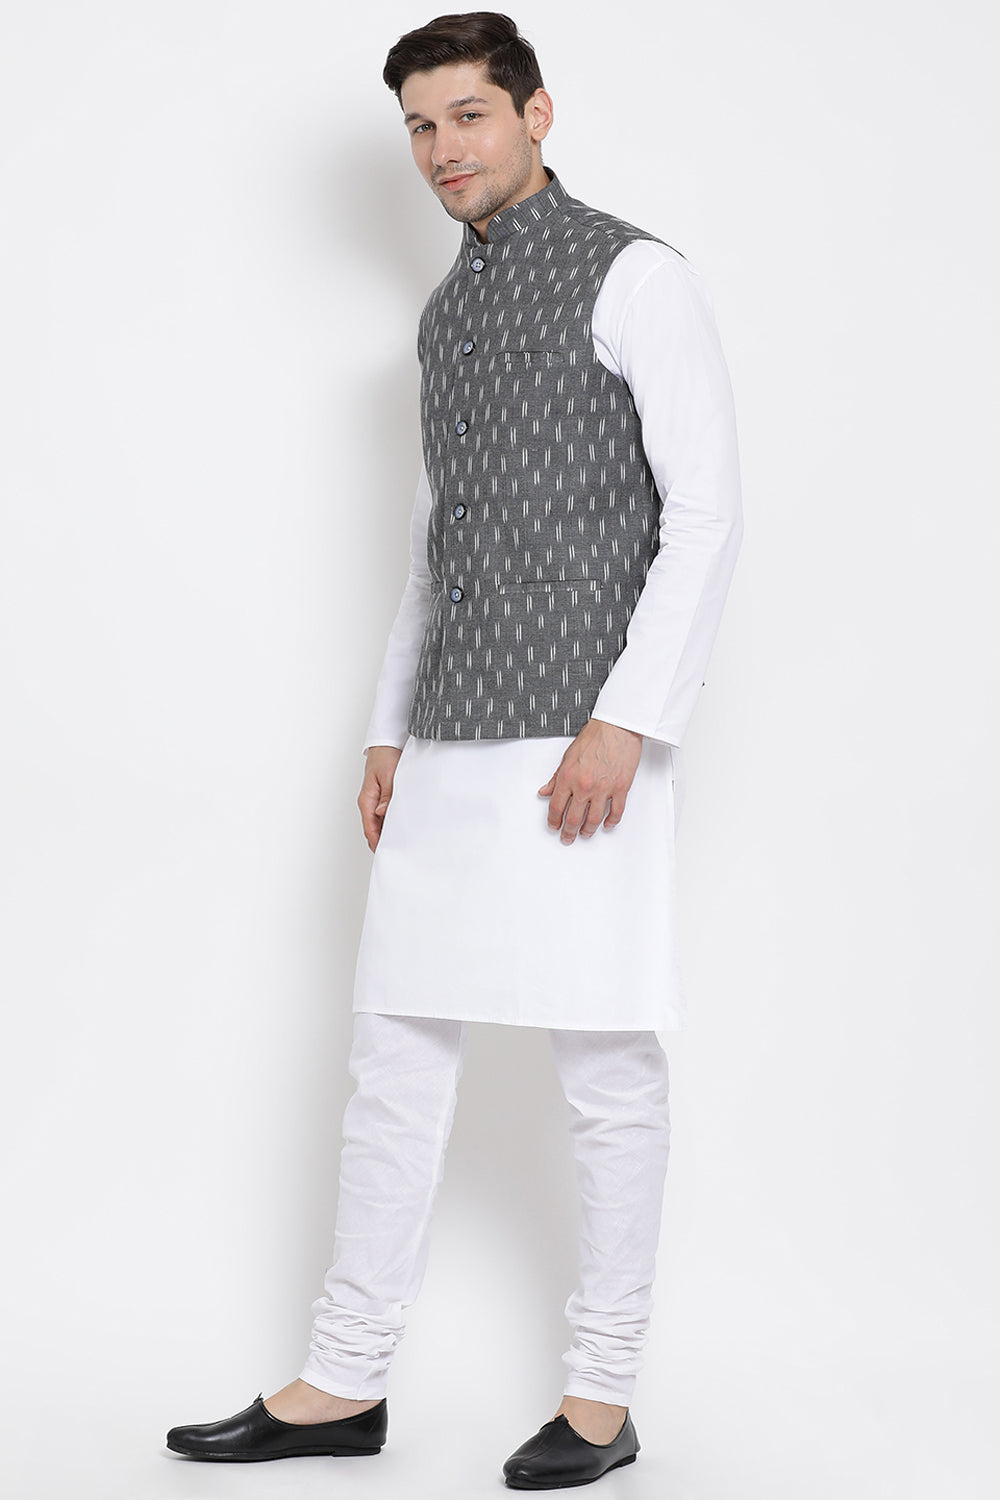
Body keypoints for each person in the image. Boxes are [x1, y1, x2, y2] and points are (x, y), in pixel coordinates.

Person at [165, 11, 743, 1489]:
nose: (442, 149)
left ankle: (601, 1400)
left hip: (584, 737)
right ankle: (343, 1381)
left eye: (469, 115)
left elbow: (706, 513)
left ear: (538, 113)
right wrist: (386, 730)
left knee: (606, 1060)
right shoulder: (443, 314)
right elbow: (439, 542)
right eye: (421, 127)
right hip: (449, 736)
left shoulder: (638, 274)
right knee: (394, 1058)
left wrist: (627, 718)